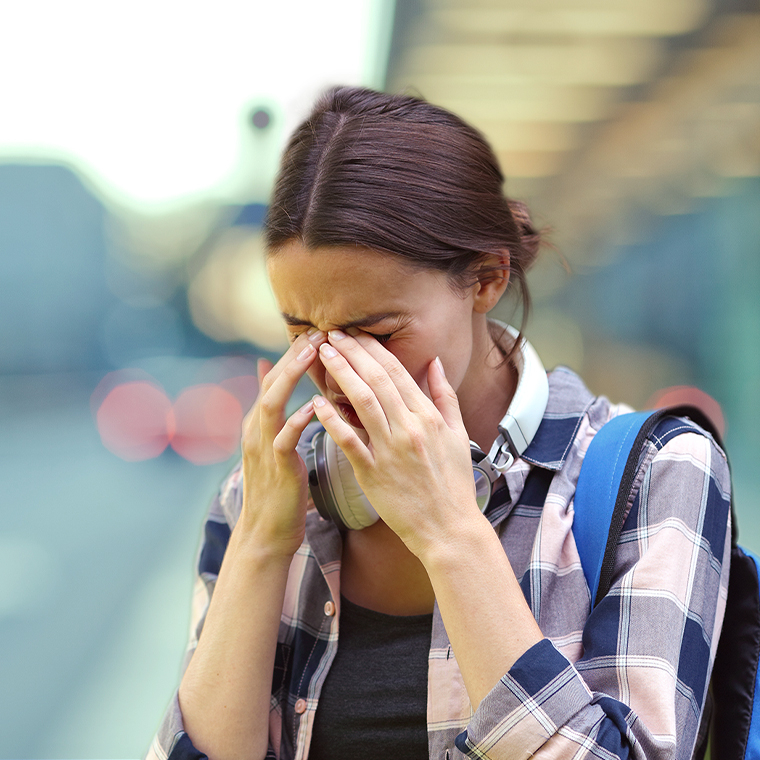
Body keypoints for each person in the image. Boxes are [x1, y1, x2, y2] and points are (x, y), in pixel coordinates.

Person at [146, 87, 731, 760]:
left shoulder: (659, 473)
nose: (337, 371)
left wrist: (451, 532)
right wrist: (258, 545)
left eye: (376, 332)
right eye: (302, 331)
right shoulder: (269, 496)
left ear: (485, 279)